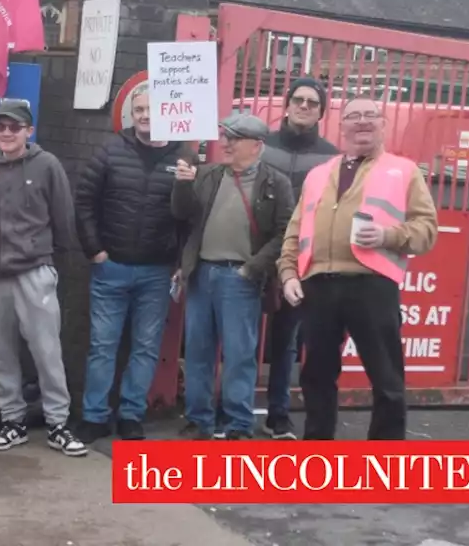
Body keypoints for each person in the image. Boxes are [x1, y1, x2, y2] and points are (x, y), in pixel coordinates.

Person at [278, 96, 438, 440]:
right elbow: (296, 229)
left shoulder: (404, 171)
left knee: (386, 378)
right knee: (316, 374)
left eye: (370, 115)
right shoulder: (319, 175)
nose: (362, 122)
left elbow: (427, 230)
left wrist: (387, 235)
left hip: (373, 284)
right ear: (341, 124)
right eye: (354, 116)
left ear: (384, 124)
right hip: (319, 284)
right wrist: (288, 273)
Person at [73, 87, 187, 443]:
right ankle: (94, 416)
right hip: (112, 267)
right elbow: (84, 203)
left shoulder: (182, 160)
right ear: (130, 114)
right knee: (103, 346)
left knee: (145, 347)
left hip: (156, 271)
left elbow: (189, 218)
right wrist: (95, 251)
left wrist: (180, 259)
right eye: (139, 109)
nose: (144, 115)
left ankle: (130, 415)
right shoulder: (109, 151)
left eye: (151, 109)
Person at [172, 114, 294, 441]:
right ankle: (199, 420)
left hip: (240, 278)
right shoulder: (209, 174)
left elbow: (285, 232)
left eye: (235, 139)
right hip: (203, 273)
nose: (226, 144)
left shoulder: (275, 182)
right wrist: (182, 185)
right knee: (198, 351)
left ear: (257, 146)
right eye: (226, 137)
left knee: (239, 354)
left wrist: (253, 268)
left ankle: (238, 424)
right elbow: (182, 215)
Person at [0, 100, 87, 457]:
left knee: (47, 351)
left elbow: (63, 217)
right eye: (0, 127)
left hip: (35, 270)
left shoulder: (47, 165)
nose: (6, 133)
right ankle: (13, 421)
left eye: (14, 126)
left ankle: (58, 423)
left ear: (29, 130)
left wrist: (52, 264)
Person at [258, 78, 338, 439]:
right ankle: (234, 412)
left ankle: (278, 415)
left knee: (287, 341)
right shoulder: (263, 146)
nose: (304, 106)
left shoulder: (331, 156)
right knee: (242, 337)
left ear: (321, 111)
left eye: (312, 102)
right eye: (299, 100)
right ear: (287, 105)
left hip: (300, 259)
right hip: (257, 251)